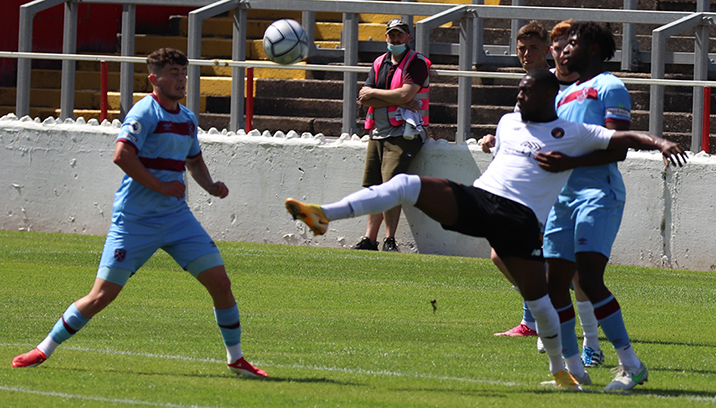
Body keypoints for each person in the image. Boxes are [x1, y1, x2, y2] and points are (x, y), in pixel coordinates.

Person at [285, 69, 687, 390]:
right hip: (481, 200)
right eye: (518, 92)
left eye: (526, 92)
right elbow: (509, 154)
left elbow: (623, 136)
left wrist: (662, 142)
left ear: (547, 97)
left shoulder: (572, 132)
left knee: (544, 301)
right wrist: (494, 141)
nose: (518, 97)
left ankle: (565, 371)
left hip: (519, 221)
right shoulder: (509, 120)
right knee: (408, 186)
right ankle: (324, 214)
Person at [11, 48, 267, 378]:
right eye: (173, 72)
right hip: (135, 220)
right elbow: (122, 155)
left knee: (220, 283)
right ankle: (43, 349)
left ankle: (236, 359)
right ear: (153, 79)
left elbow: (193, 160)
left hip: (177, 219)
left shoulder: (187, 119)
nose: (180, 79)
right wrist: (160, 187)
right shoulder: (144, 112)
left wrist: (210, 186)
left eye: (183, 72)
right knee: (101, 295)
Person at [542, 21, 646, 391]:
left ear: (592, 50)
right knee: (555, 286)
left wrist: (566, 163)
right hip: (562, 199)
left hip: (597, 193)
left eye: (573, 43)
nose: (563, 48)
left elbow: (617, 148)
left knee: (588, 278)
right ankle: (574, 370)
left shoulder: (610, 87)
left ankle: (631, 363)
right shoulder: (563, 93)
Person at [481, 21, 550, 338]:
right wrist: (498, 140)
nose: (526, 53)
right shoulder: (530, 82)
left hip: (542, 187)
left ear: (547, 50)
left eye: (533, 47)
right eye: (521, 48)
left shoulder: (553, 86)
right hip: (523, 187)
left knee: (514, 254)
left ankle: (537, 318)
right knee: (508, 254)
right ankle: (539, 313)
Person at [353, 18, 431, 252]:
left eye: (399, 35)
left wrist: (378, 95)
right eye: (391, 35)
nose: (395, 39)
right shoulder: (379, 62)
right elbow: (363, 98)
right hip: (378, 131)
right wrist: (395, 96)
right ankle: (370, 238)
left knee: (390, 184)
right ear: (386, 37)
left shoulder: (416, 62)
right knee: (373, 187)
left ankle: (390, 239)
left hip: (405, 131)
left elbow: (405, 95)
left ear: (408, 37)